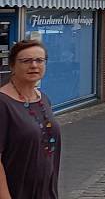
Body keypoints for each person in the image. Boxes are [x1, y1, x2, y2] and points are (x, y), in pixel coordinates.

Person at [0, 40, 61, 199]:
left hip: (46, 191)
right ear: (12, 66)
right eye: (26, 61)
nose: (34, 65)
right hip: (15, 191)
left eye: (39, 60)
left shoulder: (43, 99)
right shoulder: (3, 103)